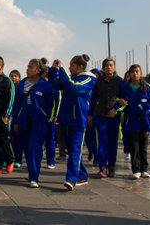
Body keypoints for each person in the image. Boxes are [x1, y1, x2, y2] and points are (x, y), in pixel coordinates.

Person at [48, 54, 96, 191]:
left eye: (72, 65)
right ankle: (82, 175)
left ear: (80, 66)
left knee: (75, 149)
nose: (69, 68)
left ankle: (71, 179)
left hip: (78, 120)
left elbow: (73, 87)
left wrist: (62, 71)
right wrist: (54, 70)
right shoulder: (72, 78)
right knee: (72, 150)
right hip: (67, 118)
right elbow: (55, 84)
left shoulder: (88, 79)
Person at [12, 58, 57, 188]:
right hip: (23, 119)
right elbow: (17, 104)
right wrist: (15, 121)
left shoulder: (45, 85)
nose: (28, 69)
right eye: (27, 66)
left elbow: (50, 103)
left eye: (31, 67)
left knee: (35, 147)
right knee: (26, 147)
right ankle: (31, 171)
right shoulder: (22, 84)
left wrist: (46, 116)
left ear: (38, 70)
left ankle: (34, 177)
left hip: (38, 121)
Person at [115, 64, 150, 179]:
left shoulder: (147, 87)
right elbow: (119, 100)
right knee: (134, 146)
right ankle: (136, 170)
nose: (135, 74)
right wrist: (121, 103)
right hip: (131, 121)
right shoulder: (125, 87)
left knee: (143, 147)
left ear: (141, 73)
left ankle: (144, 169)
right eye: (132, 72)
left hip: (143, 122)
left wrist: (147, 109)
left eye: (137, 71)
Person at [88, 59, 123, 178]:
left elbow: (124, 99)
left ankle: (111, 166)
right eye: (106, 65)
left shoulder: (119, 81)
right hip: (99, 115)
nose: (108, 67)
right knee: (102, 141)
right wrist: (90, 115)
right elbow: (93, 99)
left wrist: (116, 108)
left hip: (114, 116)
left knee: (113, 142)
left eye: (111, 65)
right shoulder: (98, 82)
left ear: (114, 67)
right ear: (103, 67)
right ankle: (102, 166)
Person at [9, 70, 23, 167]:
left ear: (19, 78)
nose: (13, 78)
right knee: (7, 138)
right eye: (12, 76)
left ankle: (18, 159)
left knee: (18, 138)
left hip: (18, 117)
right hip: (7, 117)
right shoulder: (7, 87)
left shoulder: (21, 89)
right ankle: (8, 159)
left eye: (15, 76)